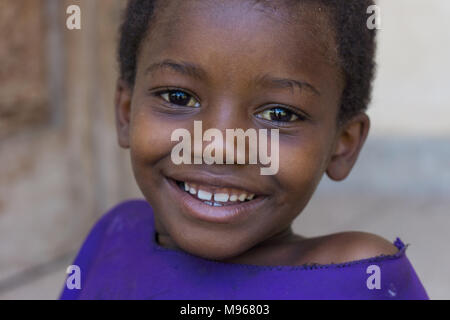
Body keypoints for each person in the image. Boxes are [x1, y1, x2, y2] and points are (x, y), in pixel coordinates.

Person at [60, 0, 428, 299]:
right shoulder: (117, 234)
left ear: (342, 145)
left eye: (279, 114)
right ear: (126, 113)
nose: (218, 146)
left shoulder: (357, 278)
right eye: (178, 97)